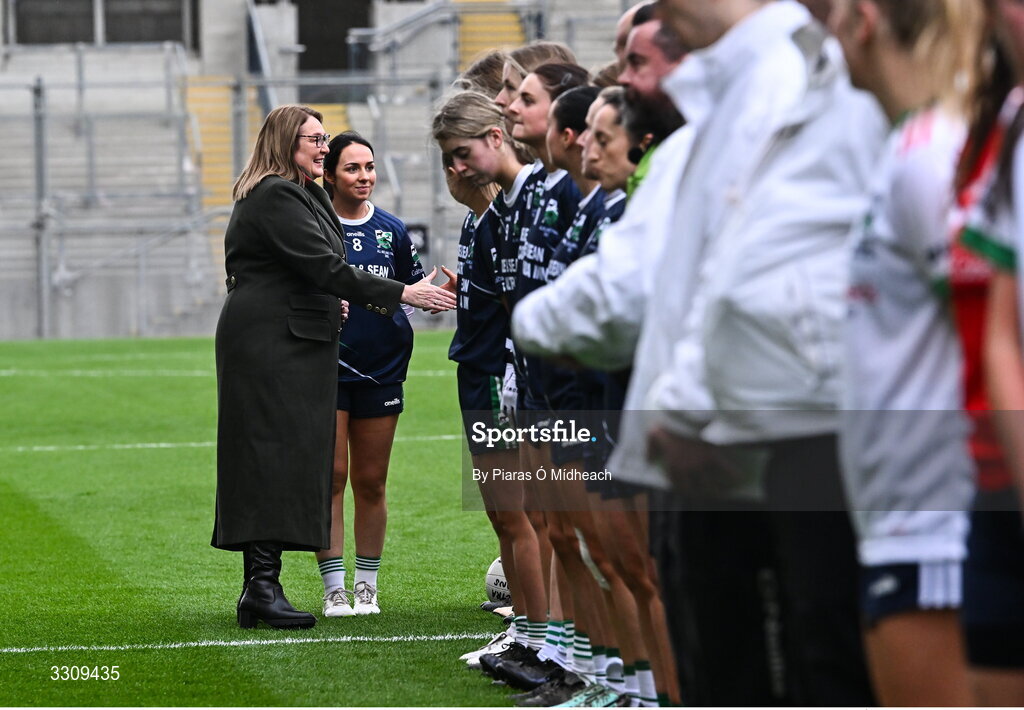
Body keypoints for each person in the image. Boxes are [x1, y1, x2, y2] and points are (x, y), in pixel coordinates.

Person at [212, 105, 454, 630]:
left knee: (280, 455)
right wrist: (402, 292)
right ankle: (261, 586)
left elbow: (309, 270)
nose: (324, 147)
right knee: (269, 455)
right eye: (315, 139)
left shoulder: (301, 192)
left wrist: (329, 302)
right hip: (269, 342)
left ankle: (263, 584)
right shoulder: (276, 193)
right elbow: (325, 266)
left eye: (325, 139)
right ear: (284, 141)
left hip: (291, 336)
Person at [829, 0, 983, 703]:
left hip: (935, 527)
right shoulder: (904, 147)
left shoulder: (931, 158)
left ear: (863, 20)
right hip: (898, 519)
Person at [431, 90, 550, 670]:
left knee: (520, 515)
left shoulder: (511, 214)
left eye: (460, 154)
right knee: (503, 515)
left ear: (494, 139)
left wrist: (509, 374)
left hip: (501, 379)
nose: (455, 168)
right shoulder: (479, 220)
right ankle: (527, 633)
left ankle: (536, 636)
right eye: (448, 159)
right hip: (478, 375)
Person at [312, 132, 426, 617]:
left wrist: (433, 295)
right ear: (330, 174)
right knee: (331, 478)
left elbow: (412, 289)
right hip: (327, 368)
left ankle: (367, 587)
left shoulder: (393, 229)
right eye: (353, 168)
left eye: (370, 167)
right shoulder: (316, 227)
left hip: (382, 370)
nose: (364, 177)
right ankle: (334, 588)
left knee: (372, 481)